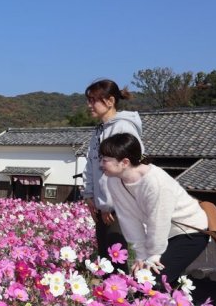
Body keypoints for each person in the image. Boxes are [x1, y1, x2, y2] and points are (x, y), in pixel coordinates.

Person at [99, 133, 208, 286]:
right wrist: (141, 255)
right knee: (144, 281)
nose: (100, 164)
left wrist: (153, 255)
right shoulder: (113, 181)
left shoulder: (156, 182)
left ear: (124, 162)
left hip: (189, 232)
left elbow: (159, 221)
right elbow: (128, 218)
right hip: (163, 236)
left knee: (152, 283)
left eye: (105, 160)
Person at [82, 79, 143, 267]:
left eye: (93, 100)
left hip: (117, 208)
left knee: (116, 261)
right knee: (105, 260)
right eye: (89, 100)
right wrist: (89, 195)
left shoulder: (123, 128)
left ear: (110, 101)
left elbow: (125, 171)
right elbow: (91, 165)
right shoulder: (100, 130)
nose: (89, 105)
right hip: (103, 207)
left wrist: (110, 203)